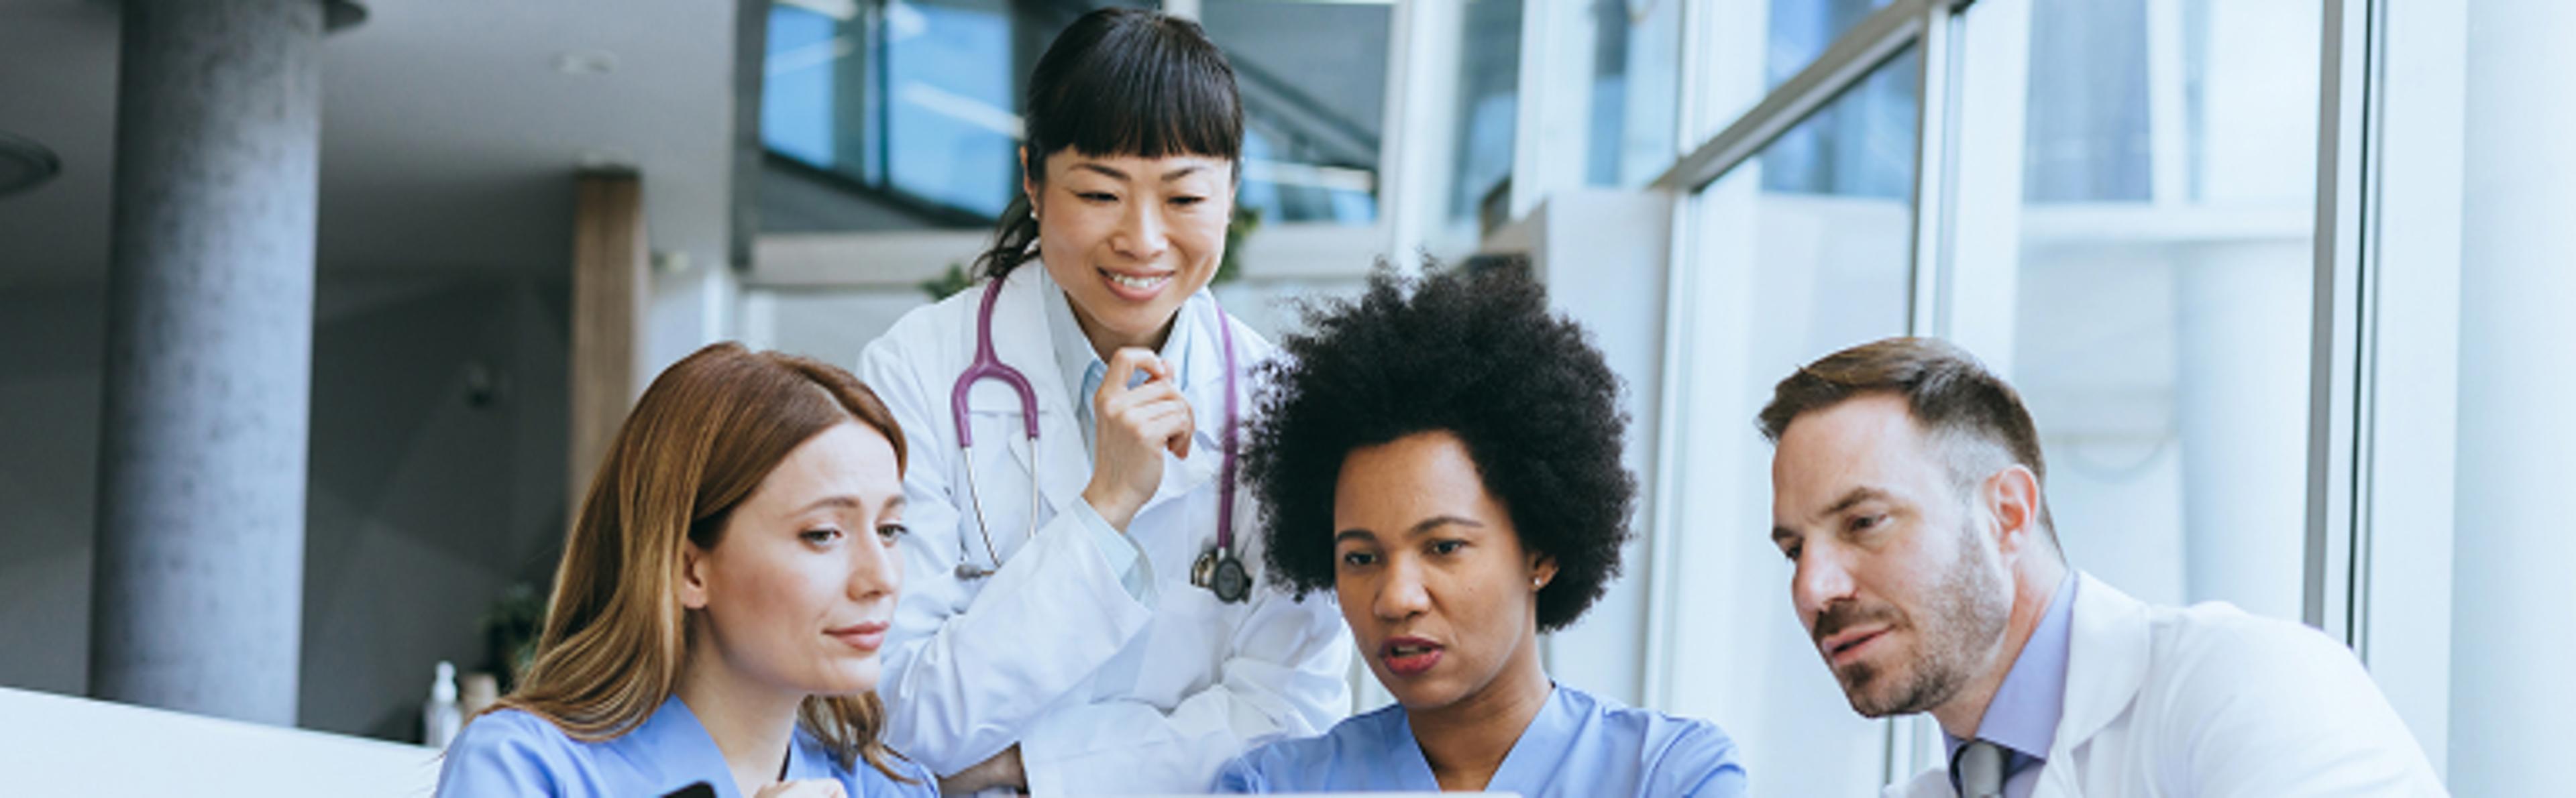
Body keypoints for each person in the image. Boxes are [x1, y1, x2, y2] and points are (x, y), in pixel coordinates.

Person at [853, 8, 1348, 795]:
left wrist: (1028, 765)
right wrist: (1107, 504)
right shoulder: (916, 370)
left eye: (1184, 198)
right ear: (1032, 180)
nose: (1143, 240)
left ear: (1231, 194)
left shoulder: (1281, 409)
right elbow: (897, 709)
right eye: (1099, 193)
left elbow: (1292, 719)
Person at [1758, 337, 2443, 797]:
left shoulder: (2247, 683)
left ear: (2007, 514)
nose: (1814, 588)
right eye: (1794, 550)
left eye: (1864, 522)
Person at [1213, 266, 1748, 797]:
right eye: (1361, 558)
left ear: (1541, 551)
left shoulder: (1670, 773)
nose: (1396, 599)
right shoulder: (1271, 785)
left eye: (1443, 547)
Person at [435, 343, 936, 798]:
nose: (882, 579)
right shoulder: (523, 767)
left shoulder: (893, 788)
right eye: (823, 534)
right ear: (688, 570)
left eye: (890, 530)